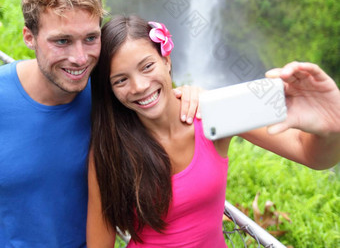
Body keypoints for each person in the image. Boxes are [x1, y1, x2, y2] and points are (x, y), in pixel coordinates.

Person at [87, 14, 340, 248]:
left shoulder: (214, 112)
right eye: (121, 80)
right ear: (110, 90)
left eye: (147, 66)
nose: (140, 86)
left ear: (166, 59)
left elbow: (311, 155)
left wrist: (332, 126)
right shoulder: (110, 149)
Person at [0, 0, 199, 248]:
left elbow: (158, 104)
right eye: (62, 41)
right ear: (29, 37)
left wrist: (193, 95)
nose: (80, 58)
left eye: (91, 38)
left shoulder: (114, 96)